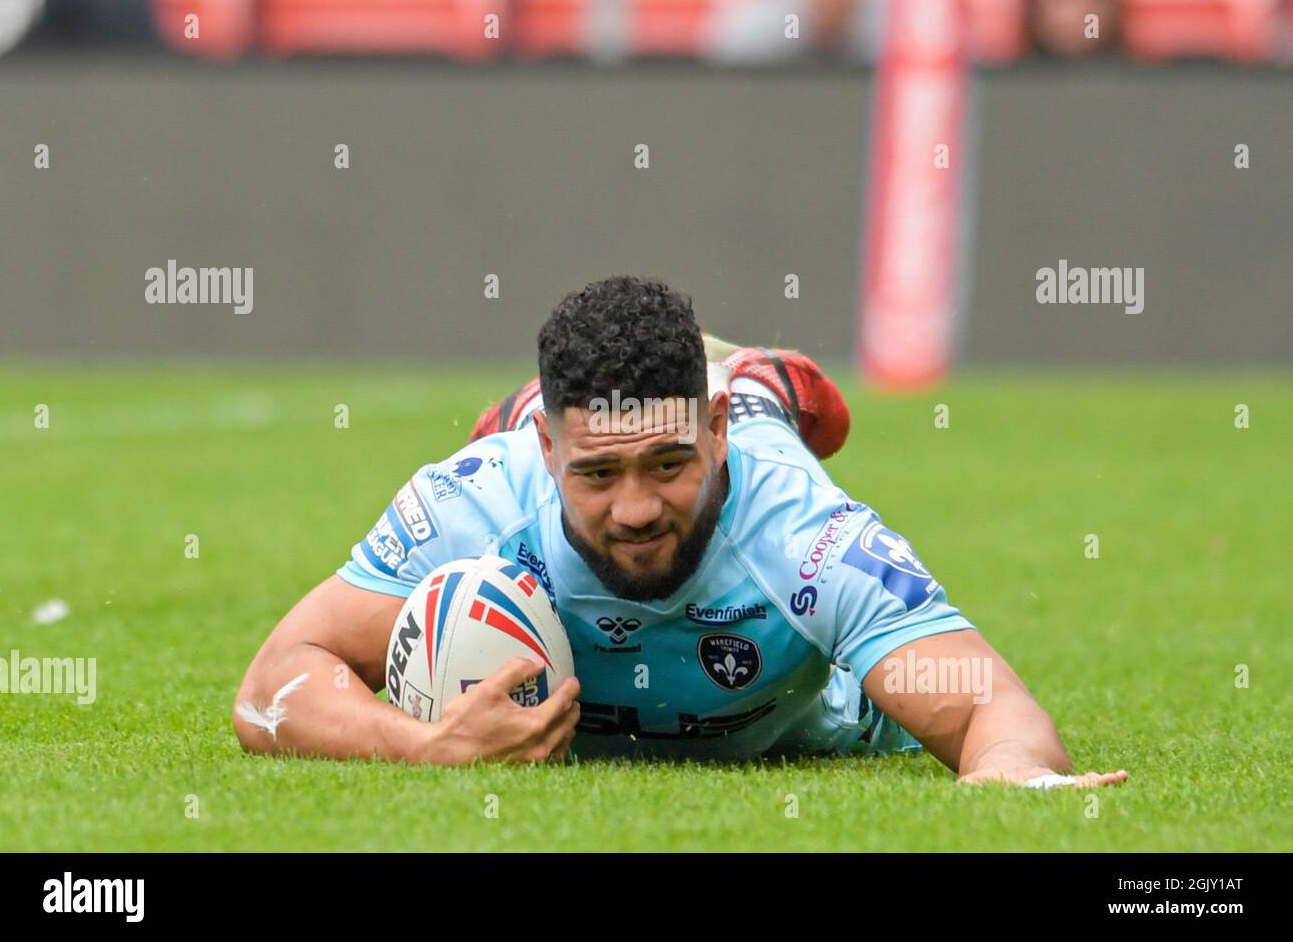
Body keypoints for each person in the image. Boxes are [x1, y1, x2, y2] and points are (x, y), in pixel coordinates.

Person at [233, 276, 1128, 788]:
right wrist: (425, 745)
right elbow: (270, 685)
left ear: (714, 429)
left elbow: (993, 709)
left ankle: (761, 383)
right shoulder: (476, 500)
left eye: (667, 463)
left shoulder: (805, 534)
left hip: (793, 664)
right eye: (594, 472)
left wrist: (1014, 782)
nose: (634, 510)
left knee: (774, 408)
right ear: (543, 449)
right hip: (548, 440)